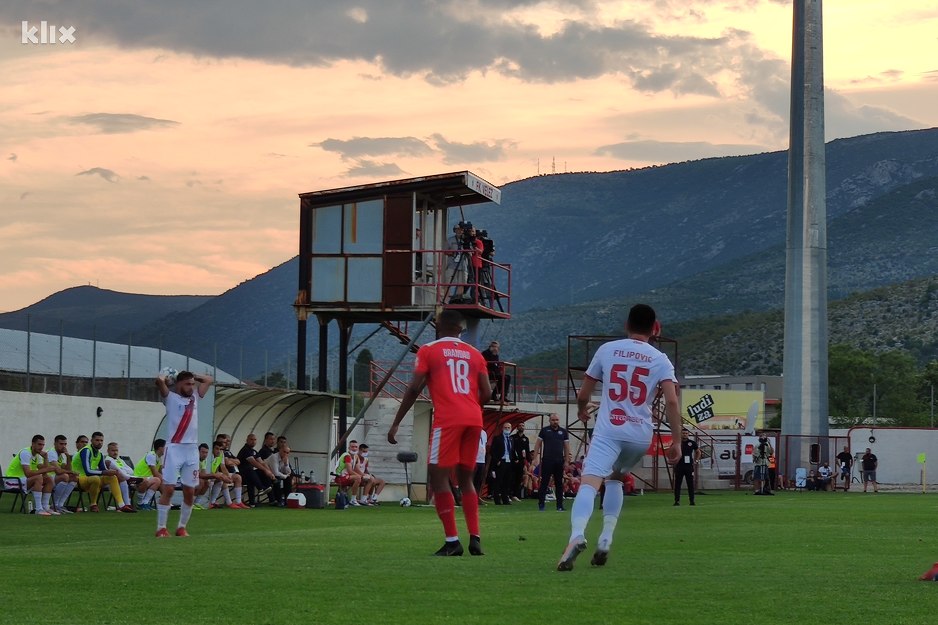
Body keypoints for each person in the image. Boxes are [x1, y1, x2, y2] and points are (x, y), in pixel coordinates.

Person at [557, 304, 682, 572]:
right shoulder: (660, 359)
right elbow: (672, 401)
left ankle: (577, 535)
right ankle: (605, 539)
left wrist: (581, 411)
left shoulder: (607, 350)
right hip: (640, 434)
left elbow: (582, 395)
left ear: (627, 325)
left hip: (610, 429)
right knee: (615, 479)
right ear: (655, 328)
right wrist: (677, 440)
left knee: (589, 483)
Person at [388, 309, 492, 556]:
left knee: (438, 476)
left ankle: (452, 541)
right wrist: (469, 404)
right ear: (461, 328)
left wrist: (396, 422)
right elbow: (487, 393)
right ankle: (475, 537)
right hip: (474, 418)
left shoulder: (429, 350)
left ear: (437, 325)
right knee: (466, 478)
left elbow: (414, 388)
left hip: (449, 419)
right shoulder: (476, 355)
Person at [154, 370, 213, 537]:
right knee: (170, 489)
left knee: (190, 490)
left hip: (191, 450)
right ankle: (161, 528)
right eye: (187, 384)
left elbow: (208, 380)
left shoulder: (195, 396)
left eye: (193, 384)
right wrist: (166, 377)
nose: (191, 387)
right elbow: (159, 381)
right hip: (174, 449)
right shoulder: (170, 398)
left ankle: (181, 527)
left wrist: (194, 375)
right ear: (178, 384)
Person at [73, 431, 133, 513]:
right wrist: (105, 472)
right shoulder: (86, 451)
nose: (99, 442)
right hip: (80, 478)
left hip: (92, 479)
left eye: (101, 441)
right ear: (92, 441)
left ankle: (122, 505)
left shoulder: (100, 454)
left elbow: (104, 470)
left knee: (112, 477)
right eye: (97, 440)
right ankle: (93, 504)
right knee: (96, 478)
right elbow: (87, 471)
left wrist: (112, 472)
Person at [4, 434, 58, 516]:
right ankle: (38, 509)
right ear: (33, 444)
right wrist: (46, 469)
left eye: (43, 445)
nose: (41, 447)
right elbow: (28, 473)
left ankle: (45, 507)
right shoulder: (25, 453)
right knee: (38, 478)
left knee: (49, 478)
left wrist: (46, 458)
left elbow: (44, 471)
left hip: (23, 481)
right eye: (39, 444)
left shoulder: (37, 454)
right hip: (12, 481)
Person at [534, 414, 571, 512]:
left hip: (559, 461)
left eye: (557, 420)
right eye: (553, 420)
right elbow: (538, 444)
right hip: (547, 460)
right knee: (544, 483)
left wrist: (567, 460)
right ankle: (541, 504)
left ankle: (559, 505)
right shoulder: (545, 430)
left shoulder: (563, 432)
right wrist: (535, 457)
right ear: (549, 421)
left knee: (559, 484)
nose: (555, 421)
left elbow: (566, 446)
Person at [238, 433, 275, 507]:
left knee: (257, 474)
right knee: (250, 471)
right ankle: (261, 488)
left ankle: (255, 502)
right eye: (251, 439)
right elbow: (253, 462)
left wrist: (269, 472)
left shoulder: (254, 451)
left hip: (249, 475)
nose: (253, 441)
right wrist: (265, 470)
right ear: (247, 440)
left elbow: (262, 462)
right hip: (241, 473)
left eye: (255, 440)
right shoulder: (245, 450)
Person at [489, 422, 520, 505]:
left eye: (508, 428)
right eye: (505, 427)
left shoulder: (511, 439)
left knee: (507, 481)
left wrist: (515, 459)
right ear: (502, 428)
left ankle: (505, 498)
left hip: (509, 461)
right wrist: (497, 461)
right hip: (501, 461)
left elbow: (512, 450)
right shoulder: (497, 438)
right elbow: (492, 451)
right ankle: (497, 499)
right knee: (498, 481)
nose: (507, 429)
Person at [104, 442, 138, 510]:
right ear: (108, 451)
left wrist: (122, 470)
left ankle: (143, 503)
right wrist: (123, 471)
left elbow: (131, 471)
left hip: (123, 478)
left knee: (145, 481)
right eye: (113, 450)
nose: (115, 452)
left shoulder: (120, 460)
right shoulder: (107, 460)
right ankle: (127, 504)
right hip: (112, 482)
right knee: (123, 479)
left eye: (116, 450)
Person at [50, 434, 79, 513]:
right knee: (65, 476)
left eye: (65, 444)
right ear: (55, 444)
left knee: (74, 478)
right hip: (46, 478)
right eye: (61, 444)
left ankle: (60, 505)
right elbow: (58, 471)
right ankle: (54, 505)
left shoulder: (60, 455)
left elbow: (67, 469)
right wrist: (71, 472)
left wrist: (68, 457)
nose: (64, 446)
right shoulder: (52, 453)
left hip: (53, 478)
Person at [133, 439, 165, 510]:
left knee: (159, 480)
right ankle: (141, 503)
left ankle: (145, 503)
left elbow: (161, 472)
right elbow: (155, 473)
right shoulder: (151, 455)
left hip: (147, 479)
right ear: (160, 448)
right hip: (138, 479)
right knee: (158, 479)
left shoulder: (159, 458)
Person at [673, 429, 700, 506]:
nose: (685, 434)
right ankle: (677, 501)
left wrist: (696, 460)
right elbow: (671, 451)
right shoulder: (677, 443)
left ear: (688, 434)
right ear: (680, 434)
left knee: (690, 484)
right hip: (679, 466)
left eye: (686, 433)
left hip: (688, 466)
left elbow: (698, 451)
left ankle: (692, 501)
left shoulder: (692, 443)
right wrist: (674, 460)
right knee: (677, 484)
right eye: (683, 433)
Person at [334, 440, 365, 506]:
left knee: (367, 479)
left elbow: (356, 469)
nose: (354, 448)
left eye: (356, 447)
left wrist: (364, 475)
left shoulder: (355, 457)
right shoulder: (347, 456)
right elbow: (350, 471)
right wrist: (361, 476)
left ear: (358, 448)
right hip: (339, 477)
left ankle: (366, 499)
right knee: (358, 478)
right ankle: (353, 500)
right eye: (352, 447)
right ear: (349, 448)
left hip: (345, 476)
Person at [445, 222, 468, 301]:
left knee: (461, 283)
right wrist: (452, 252)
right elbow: (445, 251)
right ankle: (446, 299)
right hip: (452, 264)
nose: (459, 231)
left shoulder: (466, 240)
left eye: (461, 229)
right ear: (454, 230)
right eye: (457, 229)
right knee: (447, 282)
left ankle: (459, 299)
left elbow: (471, 251)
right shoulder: (450, 240)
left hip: (463, 264)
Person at [510, 422, 530, 500]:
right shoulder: (513, 437)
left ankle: (515, 494)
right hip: (513, 461)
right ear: (517, 427)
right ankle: (509, 493)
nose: (521, 427)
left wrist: (527, 462)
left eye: (523, 426)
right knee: (511, 477)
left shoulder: (525, 439)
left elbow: (527, 451)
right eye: (520, 426)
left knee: (519, 478)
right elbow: (511, 449)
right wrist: (514, 459)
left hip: (521, 461)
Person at [473, 428, 488, 505]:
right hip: (473, 459)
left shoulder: (484, 433)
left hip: (481, 460)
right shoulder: (471, 431)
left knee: (478, 481)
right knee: (471, 480)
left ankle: (476, 497)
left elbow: (484, 445)